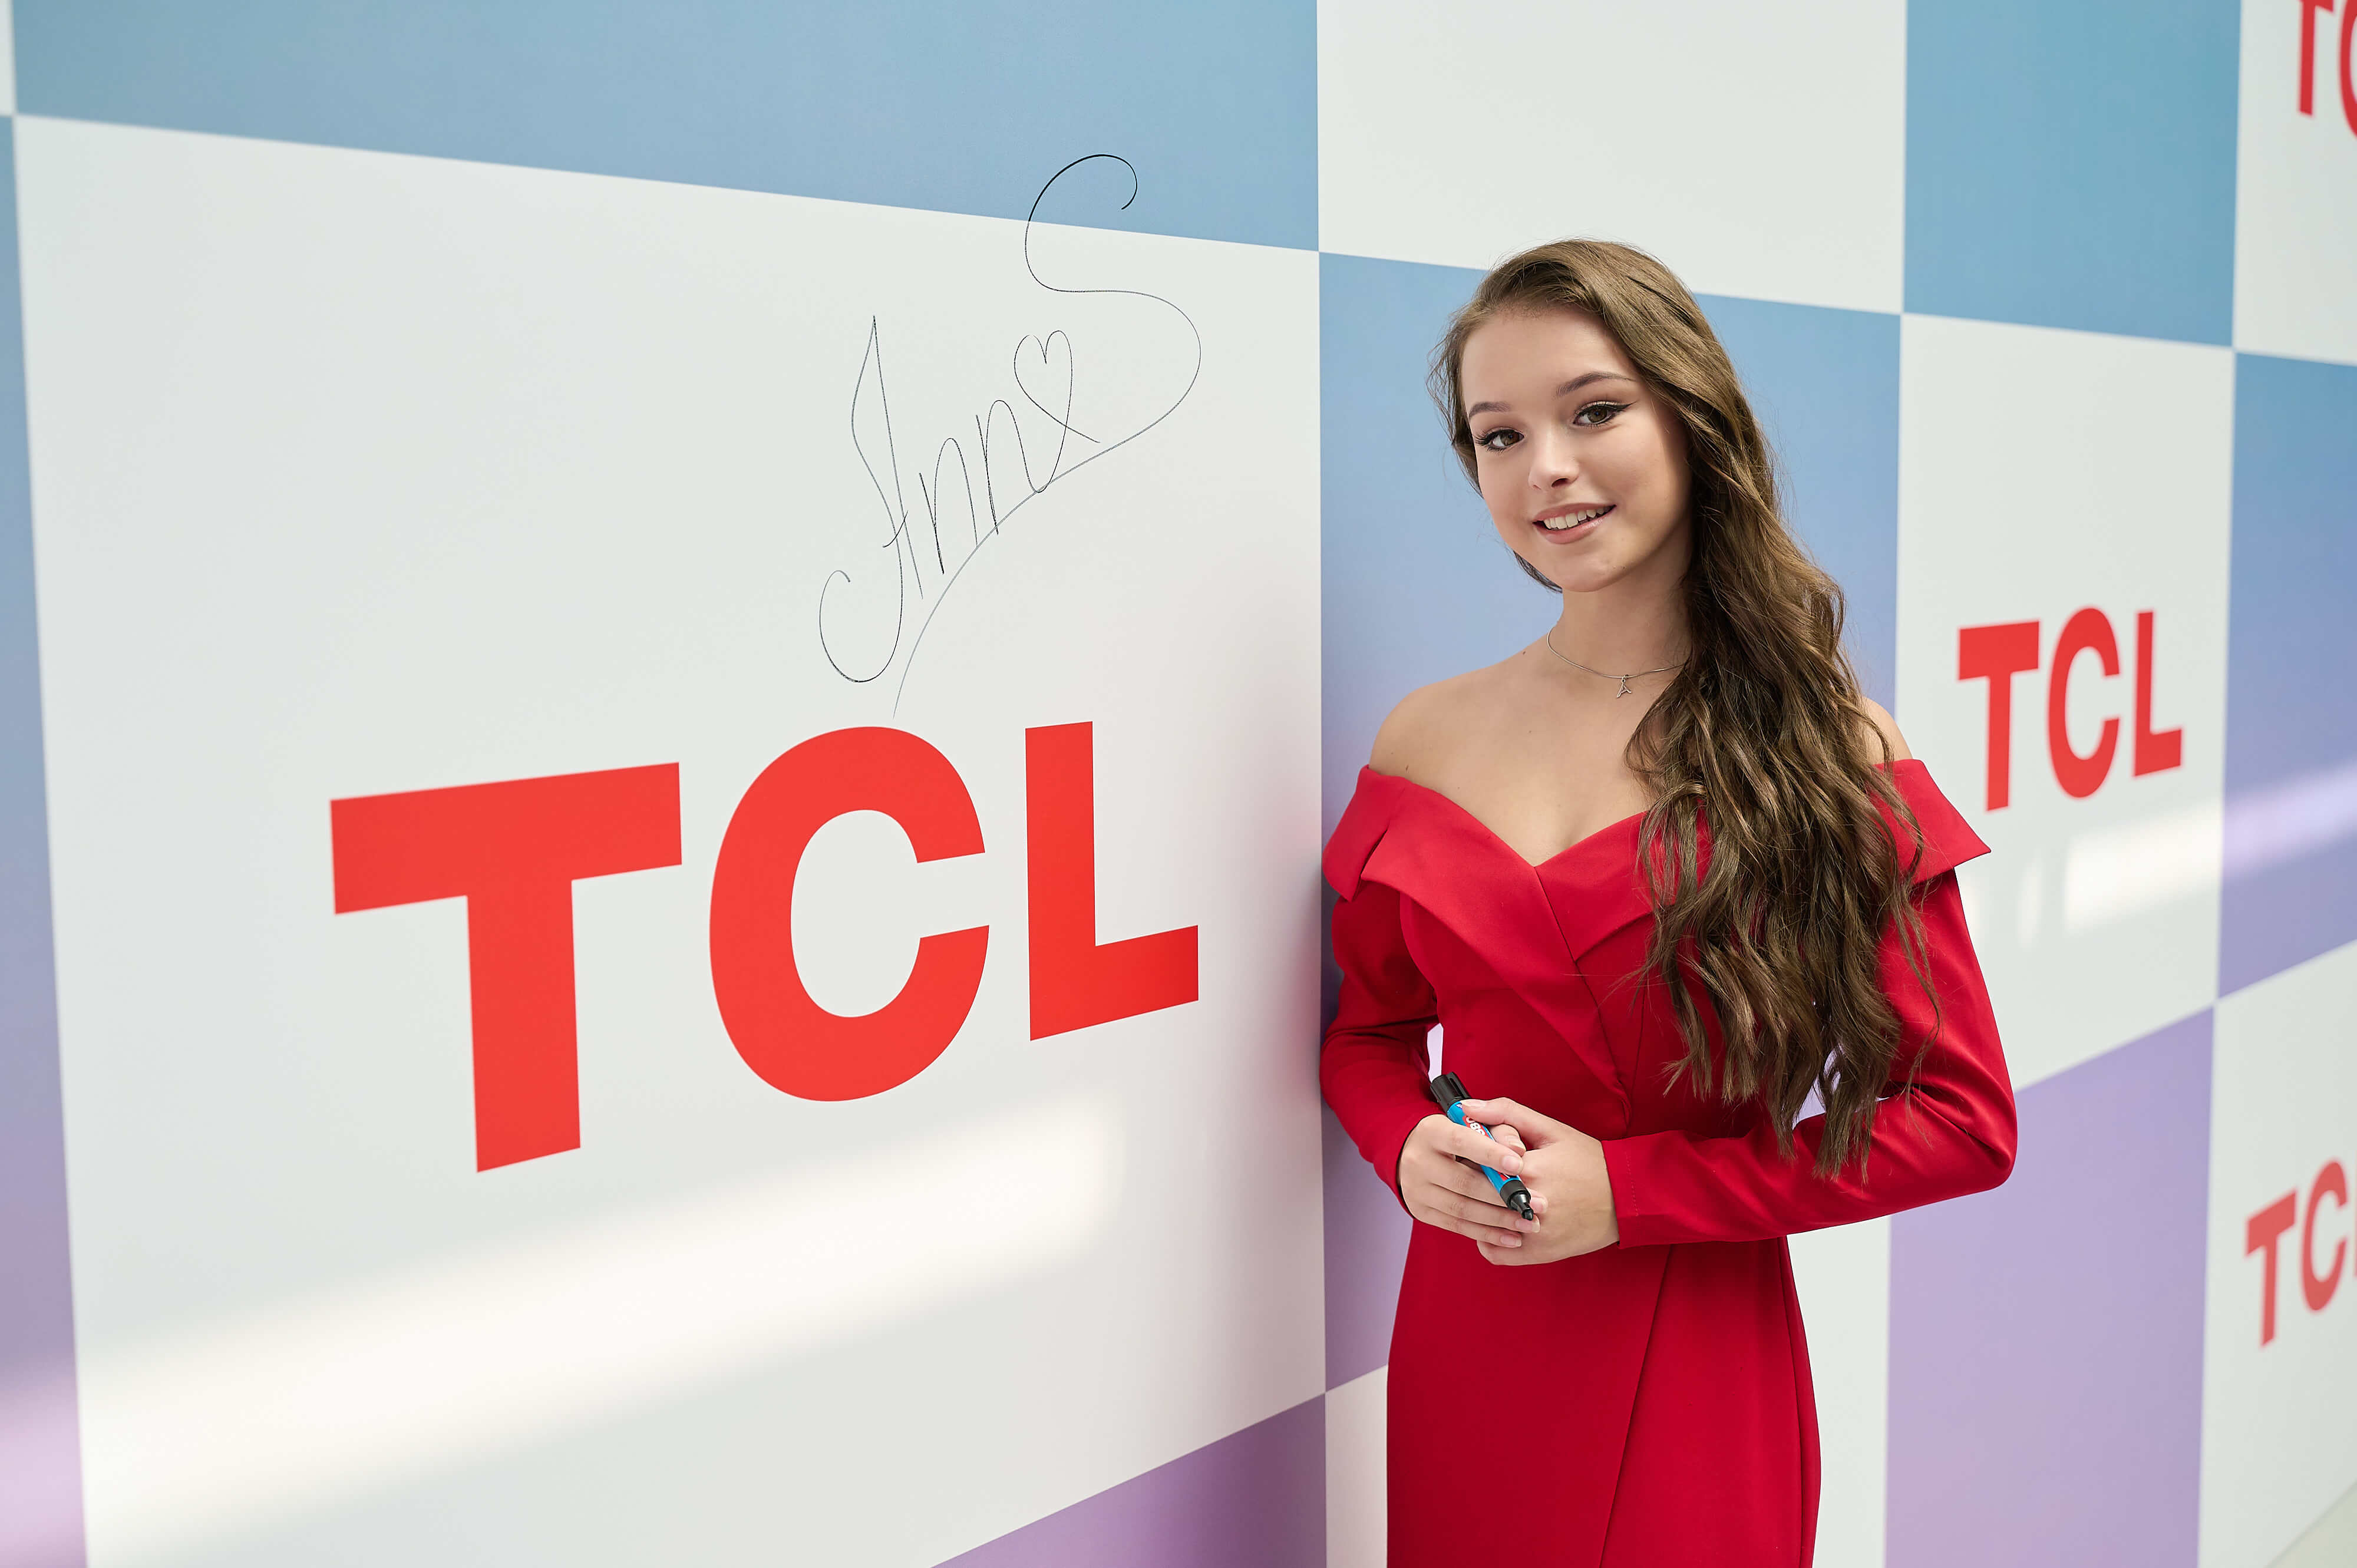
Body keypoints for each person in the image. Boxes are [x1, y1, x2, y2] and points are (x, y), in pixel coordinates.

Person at [1319, 239, 2018, 1564]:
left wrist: (1629, 1191)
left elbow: (1962, 1122)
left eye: (1593, 411)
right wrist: (1407, 1148)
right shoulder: (1424, 734)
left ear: (1693, 420)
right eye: (1499, 434)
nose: (1545, 467)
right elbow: (1367, 1035)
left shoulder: (1830, 751)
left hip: (1696, 1343)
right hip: (1470, 1333)